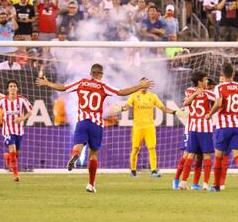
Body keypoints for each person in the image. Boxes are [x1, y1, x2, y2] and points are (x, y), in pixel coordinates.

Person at [36, 64, 153, 193]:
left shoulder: (81, 83)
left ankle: (75, 156)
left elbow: (63, 88)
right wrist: (140, 86)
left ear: (90, 73)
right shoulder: (103, 86)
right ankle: (91, 184)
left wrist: (47, 83)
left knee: (78, 146)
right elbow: (121, 92)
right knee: (93, 154)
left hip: (82, 122)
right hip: (96, 124)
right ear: (101, 74)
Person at [206, 62, 238, 191]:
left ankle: (216, 185)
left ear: (222, 74)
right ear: (233, 74)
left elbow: (218, 103)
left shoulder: (219, 88)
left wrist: (210, 114)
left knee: (219, 156)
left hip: (223, 127)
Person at [120, 78, 176, 178]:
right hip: (138, 127)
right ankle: (133, 170)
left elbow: (163, 108)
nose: (145, 85)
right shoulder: (133, 95)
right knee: (135, 149)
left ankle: (154, 170)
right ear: (140, 84)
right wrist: (121, 109)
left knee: (152, 148)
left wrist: (175, 112)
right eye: (143, 83)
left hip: (149, 127)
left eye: (147, 83)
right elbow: (127, 106)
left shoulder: (153, 96)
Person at [178, 72, 215, 191]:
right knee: (206, 155)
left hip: (193, 128)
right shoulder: (209, 93)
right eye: (205, 80)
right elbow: (219, 103)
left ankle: (183, 183)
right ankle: (205, 184)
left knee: (191, 155)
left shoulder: (189, 91)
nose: (207, 82)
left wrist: (194, 94)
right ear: (199, 81)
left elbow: (185, 102)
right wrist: (211, 113)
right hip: (204, 128)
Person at [0, 80, 33, 181]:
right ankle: (16, 175)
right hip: (7, 130)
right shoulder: (3, 101)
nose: (12, 88)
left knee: (16, 154)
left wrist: (22, 118)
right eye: (10, 86)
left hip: (19, 131)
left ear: (17, 88)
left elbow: (30, 111)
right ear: (8, 89)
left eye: (14, 86)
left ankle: (7, 157)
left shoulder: (22, 100)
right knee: (13, 150)